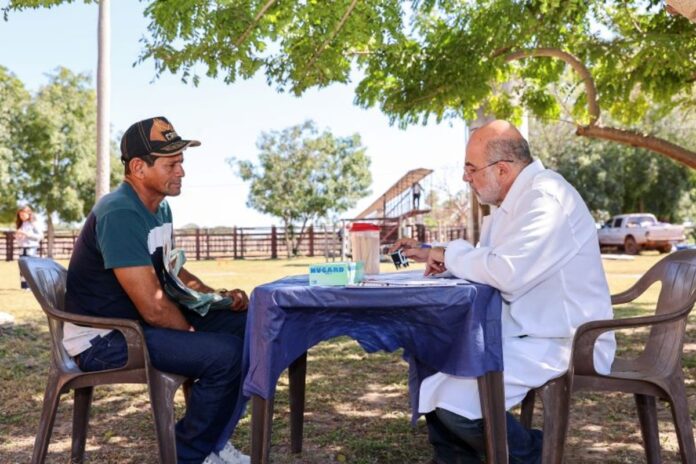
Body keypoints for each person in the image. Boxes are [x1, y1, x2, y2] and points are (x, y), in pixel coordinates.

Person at [390, 120, 616, 464]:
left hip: (565, 340)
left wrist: (449, 255)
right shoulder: (512, 205)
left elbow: (505, 272)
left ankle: (536, 454)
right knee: (436, 365)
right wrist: (443, 258)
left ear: (502, 170)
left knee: (454, 403)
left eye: (471, 168)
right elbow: (489, 262)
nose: (465, 177)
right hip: (526, 332)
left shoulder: (545, 199)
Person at [63, 116, 250, 464]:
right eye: (171, 164)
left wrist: (218, 299)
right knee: (225, 355)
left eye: (181, 162)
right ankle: (189, 454)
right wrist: (193, 335)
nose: (182, 172)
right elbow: (153, 306)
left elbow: (171, 272)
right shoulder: (120, 212)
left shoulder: (159, 207)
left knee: (251, 328)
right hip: (105, 339)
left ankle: (213, 439)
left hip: (137, 325)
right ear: (138, 167)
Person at [15, 205, 43, 290]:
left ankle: (31, 286)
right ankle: (24, 286)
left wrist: (26, 234)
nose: (21, 216)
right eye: (20, 215)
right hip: (22, 248)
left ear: (29, 213)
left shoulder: (33, 224)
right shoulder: (21, 224)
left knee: (29, 267)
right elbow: (19, 238)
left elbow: (40, 236)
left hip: (31, 248)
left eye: (23, 214)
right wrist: (18, 236)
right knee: (22, 267)